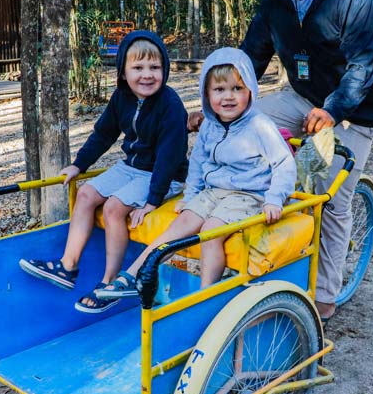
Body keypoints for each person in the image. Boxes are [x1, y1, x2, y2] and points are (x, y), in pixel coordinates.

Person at [239, 0, 373, 321]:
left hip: (352, 111)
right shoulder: (275, 2)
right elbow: (251, 59)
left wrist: (333, 111)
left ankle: (324, 298)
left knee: (329, 197)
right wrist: (219, 107)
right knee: (245, 133)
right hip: (300, 98)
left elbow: (361, 68)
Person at [94, 47, 296, 301]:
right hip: (213, 192)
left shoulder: (259, 125)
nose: (228, 97)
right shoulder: (210, 125)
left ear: (250, 92)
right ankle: (133, 275)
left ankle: (205, 297)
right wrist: (190, 197)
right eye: (219, 90)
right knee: (179, 226)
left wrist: (274, 198)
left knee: (210, 232)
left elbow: (284, 164)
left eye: (237, 89)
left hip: (249, 194)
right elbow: (198, 163)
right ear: (207, 94)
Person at [19, 31, 189, 313]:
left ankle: (110, 283)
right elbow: (103, 134)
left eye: (155, 68)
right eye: (138, 68)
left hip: (163, 175)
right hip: (131, 168)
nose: (147, 75)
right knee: (86, 194)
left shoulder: (170, 106)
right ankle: (68, 265)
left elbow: (169, 157)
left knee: (113, 208)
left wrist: (152, 201)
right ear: (123, 72)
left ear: (165, 70)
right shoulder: (121, 97)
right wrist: (79, 164)